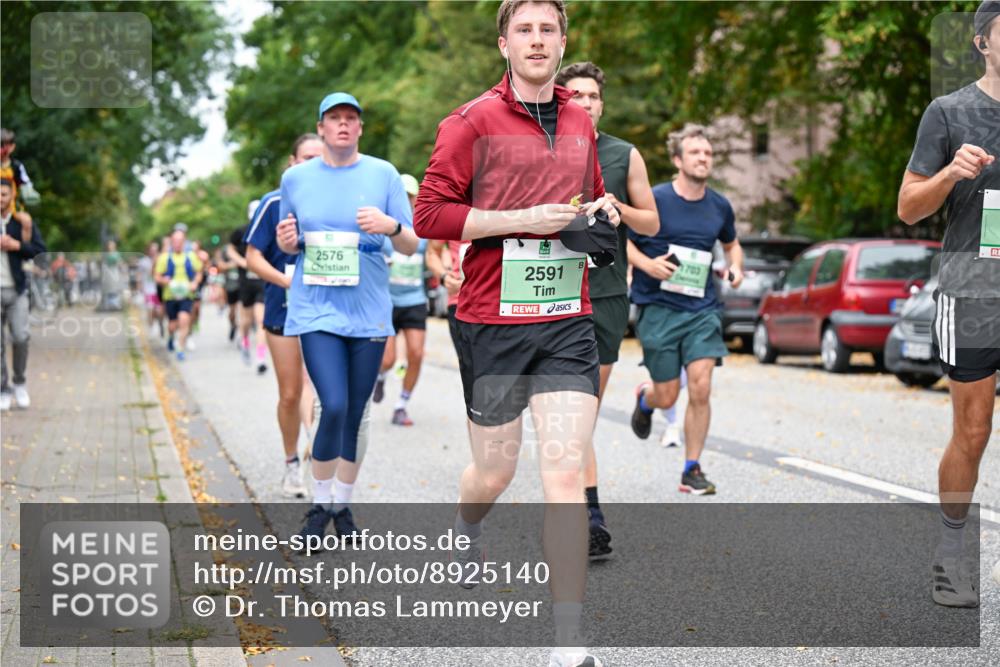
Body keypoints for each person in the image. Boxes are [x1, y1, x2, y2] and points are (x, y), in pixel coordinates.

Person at [414, 3, 620, 665]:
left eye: (549, 29)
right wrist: (520, 216)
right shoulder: (470, 122)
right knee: (494, 471)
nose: (537, 40)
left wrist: (601, 212)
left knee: (562, 473)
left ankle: (568, 640)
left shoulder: (581, 120)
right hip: (491, 322)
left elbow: (583, 199)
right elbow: (430, 215)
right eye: (524, 29)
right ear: (504, 42)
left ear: (563, 42)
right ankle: (465, 527)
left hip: (566, 319)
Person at [275, 92, 418, 544]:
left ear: (359, 128)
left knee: (355, 413)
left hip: (369, 310)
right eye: (334, 118)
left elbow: (412, 243)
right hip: (315, 307)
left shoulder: (384, 175)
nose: (342, 125)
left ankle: (341, 503)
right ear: (320, 128)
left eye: (350, 119)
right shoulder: (296, 179)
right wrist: (287, 242)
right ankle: (319, 507)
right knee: (331, 404)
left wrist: (390, 226)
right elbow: (288, 243)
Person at [896, 0, 999, 608]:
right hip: (972, 291)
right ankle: (951, 555)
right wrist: (950, 175)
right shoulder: (950, 111)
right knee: (975, 430)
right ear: (983, 41)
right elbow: (909, 206)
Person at [556, 61, 660, 560]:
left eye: (593, 95)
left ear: (602, 102)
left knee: (585, 413)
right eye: (574, 94)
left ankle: (581, 505)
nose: (584, 102)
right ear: (562, 99)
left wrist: (619, 207)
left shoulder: (624, 154)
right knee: (573, 411)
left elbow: (653, 223)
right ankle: (588, 513)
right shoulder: (541, 147)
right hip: (550, 294)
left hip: (605, 296)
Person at [627, 123, 744, 496]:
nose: (703, 158)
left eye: (708, 153)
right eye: (695, 153)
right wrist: (647, 265)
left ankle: (691, 468)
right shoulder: (654, 199)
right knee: (667, 395)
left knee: (702, 385)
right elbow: (621, 243)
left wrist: (736, 267)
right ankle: (646, 399)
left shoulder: (719, 205)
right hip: (658, 307)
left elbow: (732, 245)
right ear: (678, 160)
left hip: (702, 309)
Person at [245, 132, 328, 498]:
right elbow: (252, 257)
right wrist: (284, 281)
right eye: (305, 157)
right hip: (283, 308)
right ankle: (291, 463)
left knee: (322, 388)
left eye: (319, 157)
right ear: (292, 163)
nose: (312, 164)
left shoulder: (336, 203)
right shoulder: (274, 202)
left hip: (326, 310)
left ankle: (318, 447)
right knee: (291, 393)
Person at [374, 173, 429, 426]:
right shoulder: (384, 224)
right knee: (388, 359)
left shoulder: (425, 227)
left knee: (416, 353)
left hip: (415, 299)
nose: (406, 201)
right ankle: (381, 377)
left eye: (410, 196)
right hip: (388, 300)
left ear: (416, 198)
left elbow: (435, 254)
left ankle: (401, 405)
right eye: (402, 196)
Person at [0, 178, 45, 411]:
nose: (0, 199)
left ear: (12, 197)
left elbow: (39, 251)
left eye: (4, 195)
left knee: (20, 337)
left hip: (16, 290)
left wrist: (16, 246)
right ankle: (3, 388)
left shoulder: (22, 222)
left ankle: (19, 382)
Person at [154, 224, 203, 361]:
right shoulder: (164, 257)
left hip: (186, 295)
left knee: (184, 320)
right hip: (170, 295)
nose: (177, 244)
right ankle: (171, 337)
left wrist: (194, 283)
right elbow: (157, 276)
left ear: (184, 242)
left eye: (180, 241)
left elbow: (199, 272)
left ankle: (180, 349)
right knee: (172, 325)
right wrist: (166, 281)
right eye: (174, 241)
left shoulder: (191, 256)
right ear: (171, 242)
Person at [229, 209, 269, 373]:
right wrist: (243, 262)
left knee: (261, 321)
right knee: (245, 321)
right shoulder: (240, 231)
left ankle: (261, 358)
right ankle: (244, 341)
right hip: (245, 282)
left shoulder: (269, 230)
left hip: (261, 281)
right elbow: (230, 250)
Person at [0, 128, 40, 210]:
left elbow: (26, 183)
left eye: (5, 145)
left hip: (11, 206)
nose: (2, 149)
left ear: (12, 147)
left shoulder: (16, 166)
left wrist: (28, 192)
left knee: (27, 221)